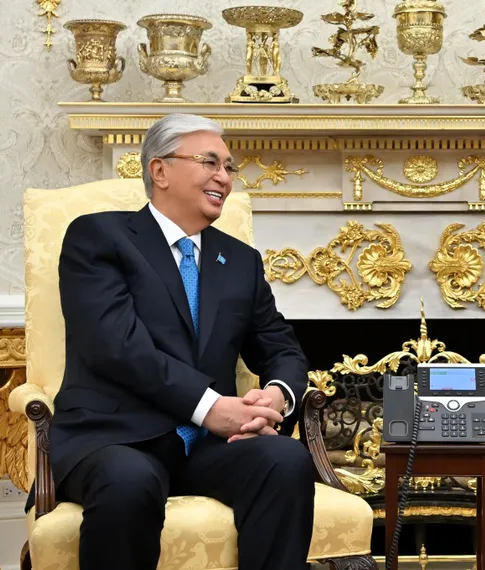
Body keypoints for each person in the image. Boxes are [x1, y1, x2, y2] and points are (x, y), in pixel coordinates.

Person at [50, 113, 315, 570]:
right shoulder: (99, 237)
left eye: (229, 167)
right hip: (117, 438)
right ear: (160, 170)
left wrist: (276, 396)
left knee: (285, 459)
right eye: (209, 162)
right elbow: (117, 347)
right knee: (128, 481)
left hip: (208, 448)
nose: (224, 177)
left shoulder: (240, 260)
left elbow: (281, 348)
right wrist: (212, 408)